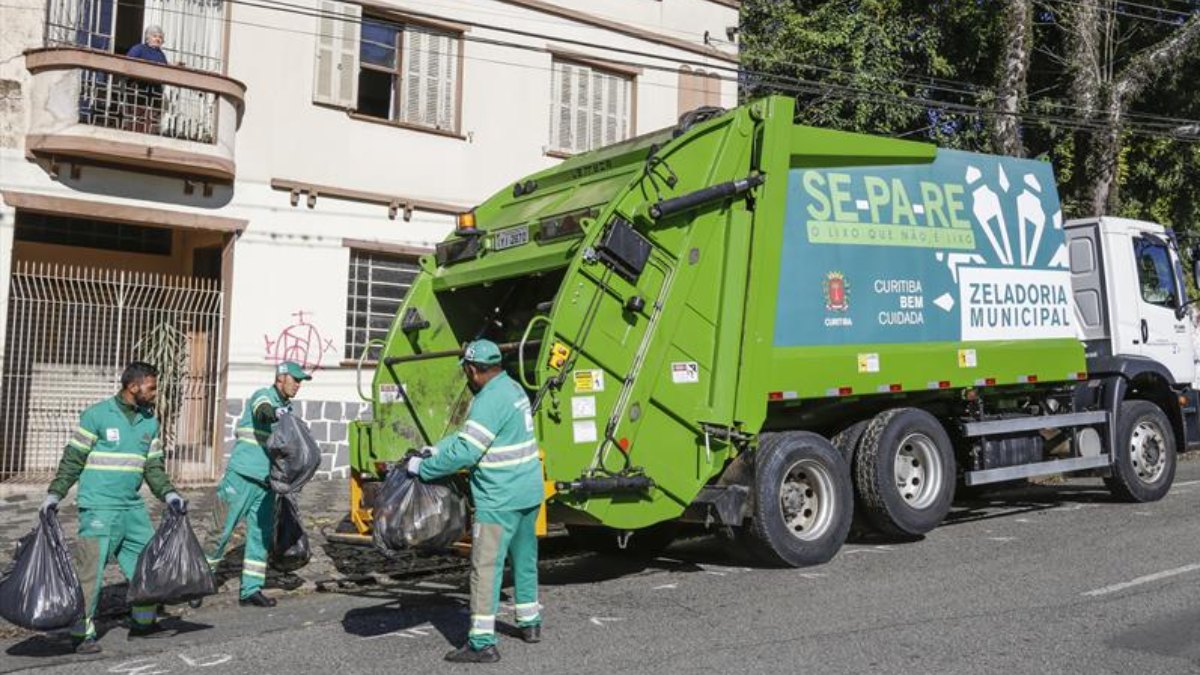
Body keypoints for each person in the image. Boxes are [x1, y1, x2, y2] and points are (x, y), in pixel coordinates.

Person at [410, 339, 545, 663]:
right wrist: (439, 447)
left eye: (468, 371)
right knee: (525, 561)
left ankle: (482, 642)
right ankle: (530, 623)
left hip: (499, 499)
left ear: (472, 369)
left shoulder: (487, 400)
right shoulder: (512, 389)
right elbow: (474, 436)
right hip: (527, 494)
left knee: (486, 568)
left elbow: (469, 450)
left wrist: (424, 468)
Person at [41, 362, 187, 655]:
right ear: (133, 387)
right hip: (99, 507)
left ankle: (143, 625)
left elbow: (153, 468)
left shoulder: (150, 422)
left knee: (148, 566)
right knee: (91, 572)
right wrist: (55, 494)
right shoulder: (97, 415)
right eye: (152, 387)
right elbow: (73, 459)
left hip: (132, 508)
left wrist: (169, 494)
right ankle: (82, 633)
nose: (156, 393)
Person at [203, 361, 310, 609]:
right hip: (241, 476)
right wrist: (277, 414)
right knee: (220, 531)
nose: (298, 385)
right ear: (281, 378)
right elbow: (263, 412)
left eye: (301, 381)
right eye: (295, 379)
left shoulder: (288, 408)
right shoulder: (263, 396)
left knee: (260, 537)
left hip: (267, 483)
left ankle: (251, 589)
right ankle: (201, 580)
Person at [124, 26, 168, 134]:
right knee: (138, 115)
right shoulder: (139, 48)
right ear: (147, 38)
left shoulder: (161, 54)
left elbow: (165, 70)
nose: (158, 39)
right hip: (139, 88)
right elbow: (128, 62)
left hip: (155, 91)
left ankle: (149, 137)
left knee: (152, 117)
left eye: (160, 37)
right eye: (155, 36)